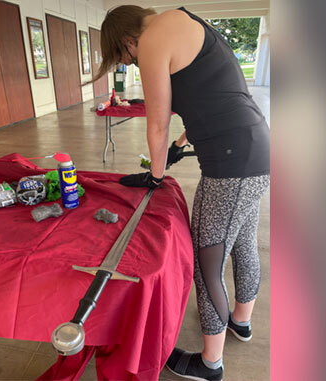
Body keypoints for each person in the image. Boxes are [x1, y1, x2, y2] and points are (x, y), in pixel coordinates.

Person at [90, 5, 270, 381]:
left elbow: (156, 120)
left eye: (127, 58)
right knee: (243, 245)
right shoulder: (186, 23)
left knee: (207, 263)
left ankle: (210, 363)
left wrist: (154, 176)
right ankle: (241, 321)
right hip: (256, 148)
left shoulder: (154, 39)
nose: (133, 63)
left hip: (230, 165)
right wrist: (179, 144)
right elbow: (211, 99)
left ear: (128, 41)